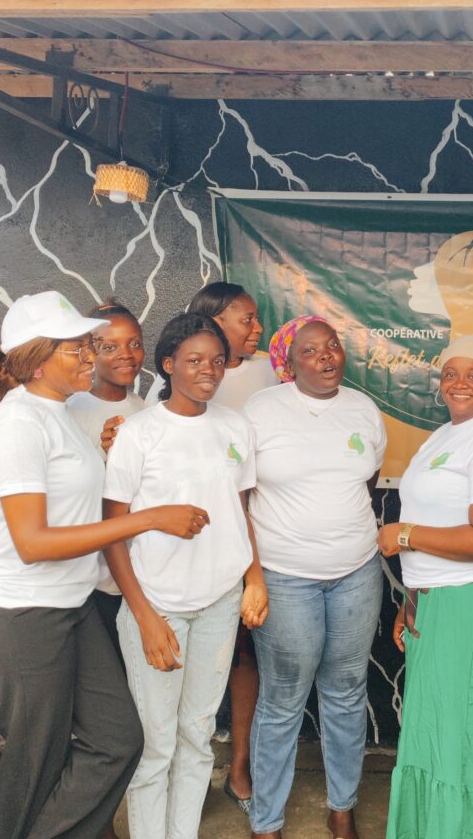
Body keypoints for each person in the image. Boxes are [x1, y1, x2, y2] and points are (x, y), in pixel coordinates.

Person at [0, 290, 210, 839]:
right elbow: (33, 542)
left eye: (87, 346)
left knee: (117, 740)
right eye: (77, 349)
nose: (90, 357)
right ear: (37, 359)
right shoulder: (17, 423)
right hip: (21, 614)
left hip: (69, 605)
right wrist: (148, 520)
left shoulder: (60, 414)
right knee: (36, 764)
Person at [103, 311, 268, 839]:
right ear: (169, 364)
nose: (208, 370)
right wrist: (145, 618)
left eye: (217, 361)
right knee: (156, 745)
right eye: (194, 360)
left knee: (197, 737)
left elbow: (240, 511)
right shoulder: (139, 433)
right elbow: (113, 533)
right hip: (159, 605)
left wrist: (254, 579)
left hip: (219, 602)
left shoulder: (234, 426)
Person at [243, 316, 386, 839]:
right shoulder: (260, 411)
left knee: (346, 691)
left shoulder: (363, 409)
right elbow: (239, 495)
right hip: (285, 577)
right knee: (283, 699)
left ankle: (342, 807)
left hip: (356, 572)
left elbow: (366, 480)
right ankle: (267, 820)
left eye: (333, 346)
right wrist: (253, 576)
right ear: (288, 363)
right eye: (310, 350)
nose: (326, 356)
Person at [380, 334, 473, 839]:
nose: (460, 383)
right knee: (434, 734)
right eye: (451, 373)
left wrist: (404, 535)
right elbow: (432, 515)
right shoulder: (446, 435)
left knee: (466, 738)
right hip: (436, 604)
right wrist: (411, 597)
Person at [186, 281, 278, 813]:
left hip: (256, 536)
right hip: (192, 543)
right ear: (215, 321)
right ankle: (187, 776)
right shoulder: (181, 380)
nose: (257, 328)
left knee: (246, 658)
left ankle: (240, 768)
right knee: (190, 666)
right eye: (247, 318)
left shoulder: (270, 373)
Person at [66, 301, 147, 660]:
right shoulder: (72, 410)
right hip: (92, 582)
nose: (126, 354)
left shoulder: (144, 409)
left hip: (139, 575)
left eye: (135, 343)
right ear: (89, 352)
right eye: (110, 346)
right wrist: (103, 455)